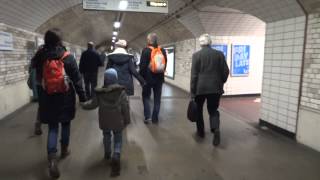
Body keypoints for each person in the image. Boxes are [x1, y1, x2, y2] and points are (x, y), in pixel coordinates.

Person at [32, 28, 86, 178]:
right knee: (66, 124)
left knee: (53, 127)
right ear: (60, 41)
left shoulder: (40, 56)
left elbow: (37, 79)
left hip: (47, 97)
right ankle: (64, 149)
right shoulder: (67, 56)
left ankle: (52, 159)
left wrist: (41, 96)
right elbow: (76, 79)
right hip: (65, 97)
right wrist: (82, 97)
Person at [82, 68, 130, 177]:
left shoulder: (100, 93)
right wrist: (127, 120)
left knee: (106, 136)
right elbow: (125, 107)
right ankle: (116, 155)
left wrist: (83, 105)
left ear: (105, 79)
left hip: (105, 120)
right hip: (118, 120)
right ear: (116, 79)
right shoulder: (121, 92)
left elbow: (92, 104)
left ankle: (107, 154)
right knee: (118, 138)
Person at [190, 34, 229, 146]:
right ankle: (215, 128)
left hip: (200, 88)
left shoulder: (196, 55)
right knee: (213, 110)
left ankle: (201, 132)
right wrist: (220, 82)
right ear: (210, 42)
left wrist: (192, 92)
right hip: (215, 88)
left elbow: (194, 75)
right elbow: (225, 71)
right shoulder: (219, 54)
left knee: (199, 109)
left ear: (200, 43)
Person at [139, 33, 167, 124]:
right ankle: (155, 118)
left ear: (149, 40)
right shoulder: (162, 50)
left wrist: (141, 79)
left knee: (146, 96)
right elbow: (164, 64)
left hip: (148, 79)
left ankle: (147, 117)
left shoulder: (146, 50)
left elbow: (142, 67)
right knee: (157, 98)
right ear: (156, 40)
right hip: (159, 78)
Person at [28, 45, 44, 135]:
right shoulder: (49, 57)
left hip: (39, 84)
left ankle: (38, 124)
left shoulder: (35, 59)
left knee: (41, 106)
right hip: (49, 84)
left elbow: (30, 69)